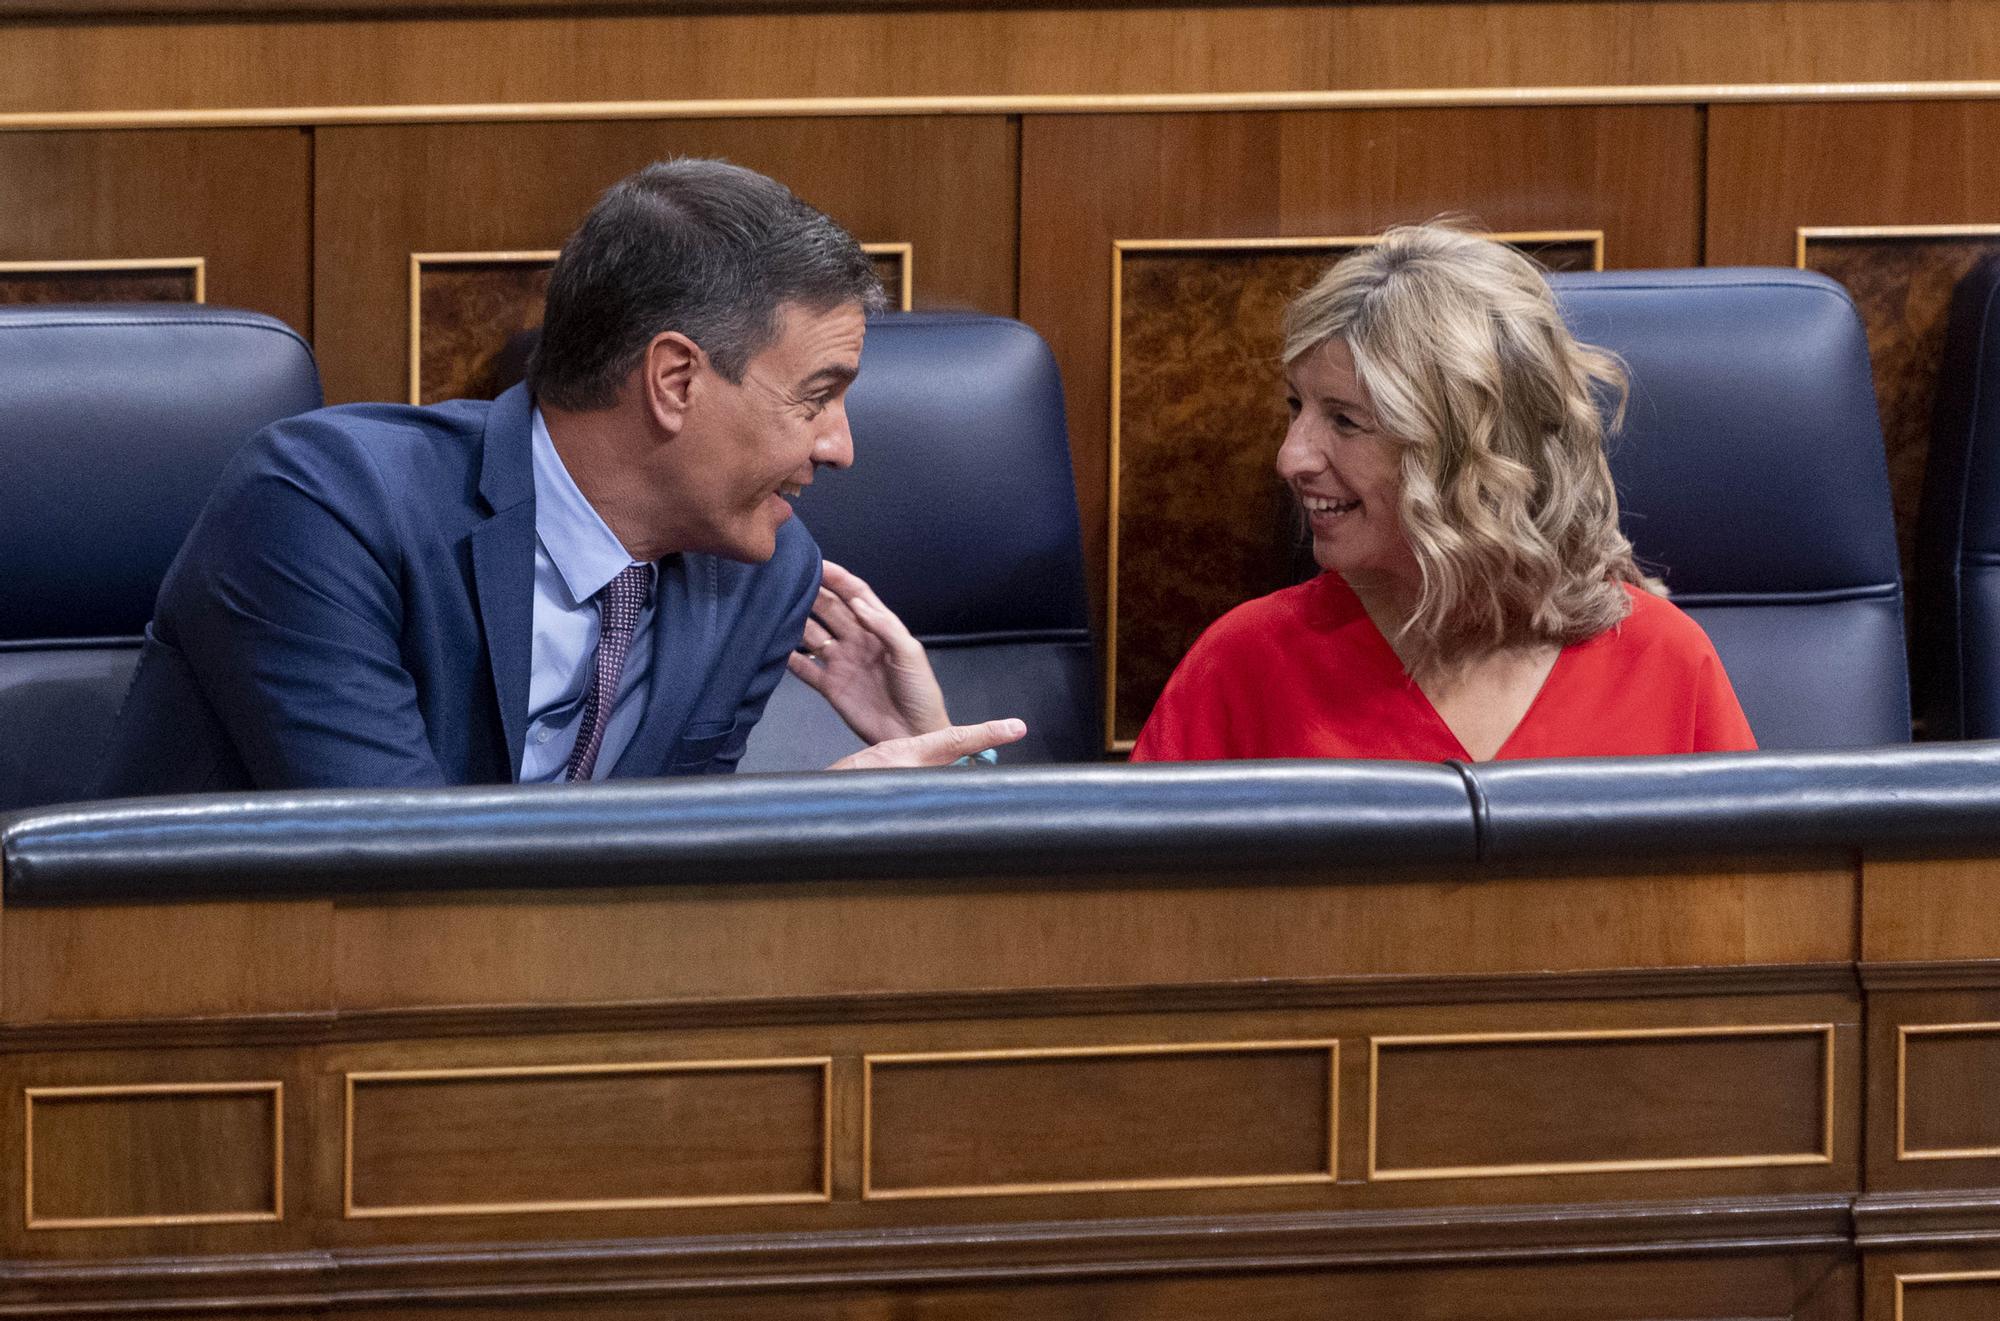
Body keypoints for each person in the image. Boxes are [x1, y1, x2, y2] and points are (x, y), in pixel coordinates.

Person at [96, 158, 1023, 795]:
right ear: (675, 380)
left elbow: (658, 901)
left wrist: (936, 773)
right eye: (818, 395)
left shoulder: (762, 575)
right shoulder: (324, 511)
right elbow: (386, 878)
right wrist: (792, 828)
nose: (840, 447)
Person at [1130, 224, 1755, 763]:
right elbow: (1132, 898)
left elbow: (1753, 894)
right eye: (1297, 406)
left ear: (1472, 454)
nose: (1290, 457)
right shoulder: (1243, 664)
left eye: (1346, 420)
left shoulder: (1662, 660)